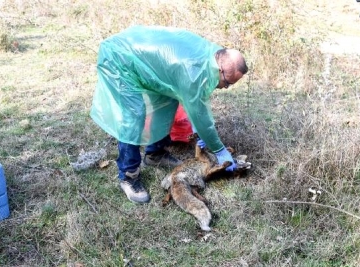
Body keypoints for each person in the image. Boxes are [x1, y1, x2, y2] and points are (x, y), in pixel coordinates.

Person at [90, 25, 248, 203]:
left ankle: (154, 154)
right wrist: (219, 150)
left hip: (143, 59)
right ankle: (128, 175)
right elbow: (200, 113)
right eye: (227, 82)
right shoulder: (193, 72)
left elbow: (193, 101)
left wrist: (197, 117)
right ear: (220, 68)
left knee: (167, 101)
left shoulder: (211, 56)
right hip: (119, 59)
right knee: (134, 115)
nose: (225, 87)